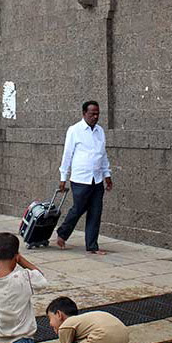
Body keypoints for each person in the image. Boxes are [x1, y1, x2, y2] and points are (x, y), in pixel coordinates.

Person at [56, 101, 113, 255]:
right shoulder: (74, 130)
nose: (95, 117)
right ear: (84, 113)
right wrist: (63, 176)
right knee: (78, 208)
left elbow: (103, 155)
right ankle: (62, 233)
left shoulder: (100, 131)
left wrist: (107, 175)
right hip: (81, 179)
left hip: (97, 179)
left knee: (96, 211)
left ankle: (92, 246)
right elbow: (67, 155)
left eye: (97, 114)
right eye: (92, 114)